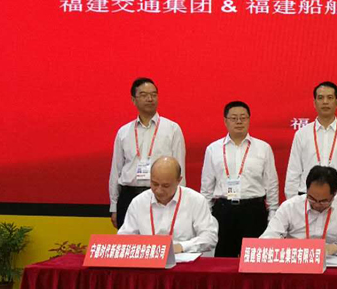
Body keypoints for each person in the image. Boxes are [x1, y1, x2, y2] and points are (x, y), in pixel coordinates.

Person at [201, 101, 279, 258]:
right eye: (234, 118)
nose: (239, 122)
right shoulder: (213, 149)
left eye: (243, 118)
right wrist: (206, 215)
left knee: (255, 260)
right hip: (224, 210)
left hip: (253, 210)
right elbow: (207, 186)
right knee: (223, 261)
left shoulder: (263, 148)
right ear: (225, 121)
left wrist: (273, 214)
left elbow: (271, 184)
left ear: (249, 120)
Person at [109, 77, 186, 229]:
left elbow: (180, 169)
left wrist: (179, 203)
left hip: (161, 196)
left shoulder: (172, 129)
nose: (150, 99)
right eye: (144, 95)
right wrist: (114, 205)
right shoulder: (124, 132)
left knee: (159, 240)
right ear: (133, 100)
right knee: (128, 242)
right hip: (129, 195)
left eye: (153, 94)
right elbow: (116, 170)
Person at [284, 81, 337, 210]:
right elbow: (293, 173)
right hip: (306, 200)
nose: (325, 102)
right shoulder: (302, 134)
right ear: (314, 103)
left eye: (330, 97)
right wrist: (293, 206)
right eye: (320, 98)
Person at [118, 157, 218, 255]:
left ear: (179, 180)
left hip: (183, 261)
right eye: (155, 184)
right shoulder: (139, 202)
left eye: (165, 186)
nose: (159, 190)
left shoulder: (195, 200)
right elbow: (124, 237)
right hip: (149, 260)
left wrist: (181, 247)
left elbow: (209, 237)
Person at [262, 166, 337, 256]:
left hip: (331, 261)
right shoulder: (289, 207)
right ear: (306, 190)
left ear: (335, 193)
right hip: (297, 261)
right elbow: (266, 239)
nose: (317, 204)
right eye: (312, 199)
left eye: (323, 201)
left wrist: (335, 248)